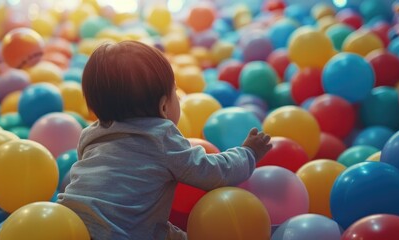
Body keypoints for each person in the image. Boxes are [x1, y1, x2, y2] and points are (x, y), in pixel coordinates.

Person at [57, 40, 272, 240]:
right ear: (163, 107)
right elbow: (213, 172)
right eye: (175, 93)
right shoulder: (160, 137)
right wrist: (248, 153)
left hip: (68, 224)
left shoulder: (90, 134)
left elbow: (117, 192)